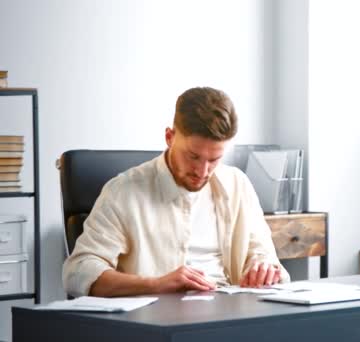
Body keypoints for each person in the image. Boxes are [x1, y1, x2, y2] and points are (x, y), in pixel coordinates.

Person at [63, 87, 290, 297]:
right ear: (169, 137)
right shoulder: (124, 191)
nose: (203, 171)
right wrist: (157, 285)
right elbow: (78, 272)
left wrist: (262, 269)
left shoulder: (237, 185)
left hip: (229, 314)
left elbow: (264, 256)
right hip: (160, 321)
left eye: (214, 159)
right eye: (193, 156)